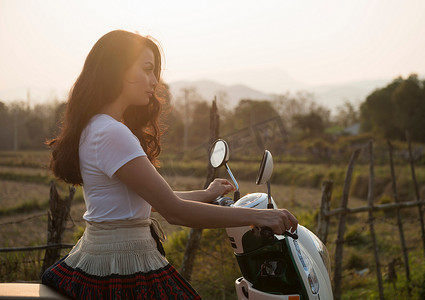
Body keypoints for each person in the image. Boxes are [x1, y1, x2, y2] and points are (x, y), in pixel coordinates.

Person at [41, 29, 298, 299]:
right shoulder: (112, 132)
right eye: (147, 69)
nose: (154, 81)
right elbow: (174, 212)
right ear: (116, 69)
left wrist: (206, 194)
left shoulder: (97, 126)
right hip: (123, 265)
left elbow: (143, 202)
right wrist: (261, 217)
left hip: (103, 255)